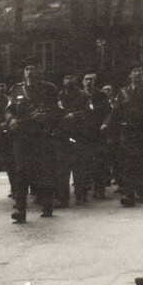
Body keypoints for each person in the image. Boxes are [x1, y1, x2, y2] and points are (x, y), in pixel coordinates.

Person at [7, 56, 59, 223]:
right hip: (21, 137)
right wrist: (10, 120)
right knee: (21, 171)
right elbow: (9, 109)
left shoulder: (49, 89)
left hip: (41, 136)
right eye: (27, 69)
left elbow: (57, 111)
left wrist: (46, 116)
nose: (30, 72)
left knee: (44, 171)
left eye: (33, 69)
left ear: (39, 70)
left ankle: (47, 205)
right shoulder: (16, 89)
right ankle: (20, 210)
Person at [103, 67, 143, 207]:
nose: (138, 74)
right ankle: (128, 195)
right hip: (128, 133)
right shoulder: (123, 92)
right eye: (135, 71)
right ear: (130, 75)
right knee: (128, 164)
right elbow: (116, 112)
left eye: (140, 72)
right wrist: (108, 126)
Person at [54, 71, 89, 207]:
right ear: (63, 81)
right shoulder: (58, 95)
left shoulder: (84, 95)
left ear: (76, 79)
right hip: (62, 134)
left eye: (71, 77)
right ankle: (63, 198)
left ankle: (80, 195)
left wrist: (74, 115)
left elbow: (87, 111)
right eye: (66, 78)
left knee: (79, 167)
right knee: (62, 168)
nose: (69, 80)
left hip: (78, 133)